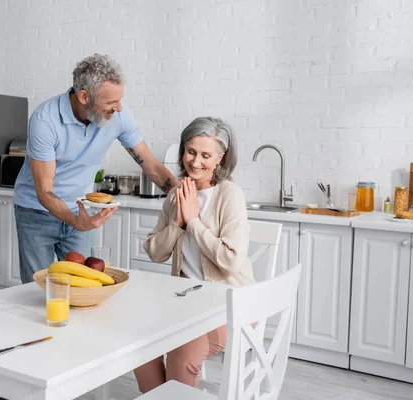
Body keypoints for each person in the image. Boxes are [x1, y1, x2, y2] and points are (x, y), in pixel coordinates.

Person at [13, 54, 178, 284]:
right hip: (36, 212)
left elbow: (150, 165)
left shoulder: (119, 115)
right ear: (84, 96)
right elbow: (44, 190)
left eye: (120, 100)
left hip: (81, 211)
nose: (119, 108)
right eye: (111, 102)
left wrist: (185, 198)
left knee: (85, 286)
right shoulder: (45, 120)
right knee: (38, 289)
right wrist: (76, 220)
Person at [133, 117, 255, 393]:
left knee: (181, 356)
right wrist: (177, 224)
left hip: (231, 305)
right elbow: (154, 252)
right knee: (139, 342)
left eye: (205, 155)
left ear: (220, 158)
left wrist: (194, 221)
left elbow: (232, 262)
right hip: (186, 302)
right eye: (191, 151)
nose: (196, 161)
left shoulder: (230, 195)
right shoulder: (177, 194)